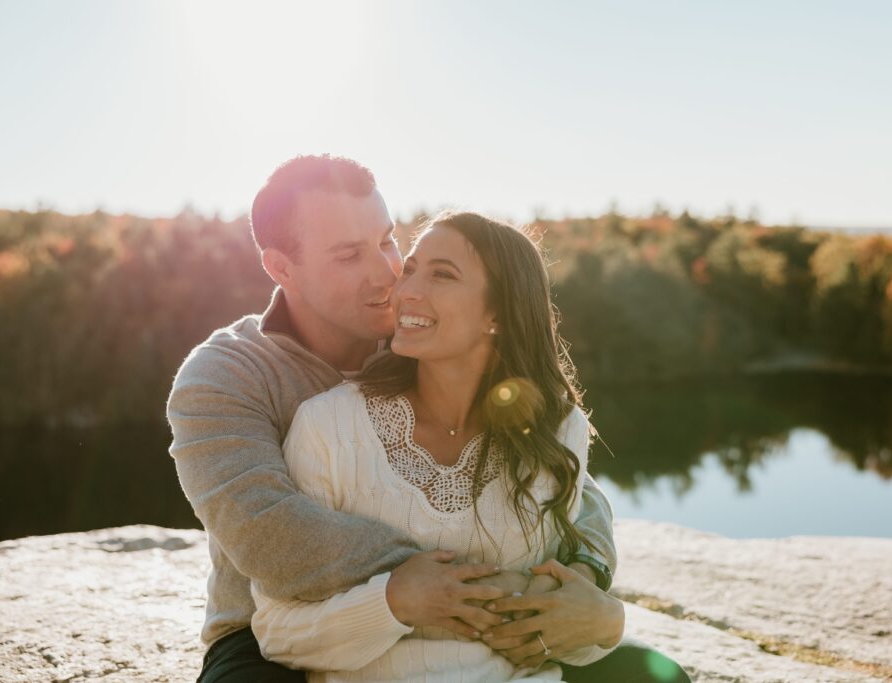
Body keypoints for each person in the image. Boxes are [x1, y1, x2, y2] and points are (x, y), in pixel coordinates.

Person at [166, 155, 690, 682]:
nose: (387, 272)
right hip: (271, 631)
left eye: (387, 241)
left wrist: (584, 580)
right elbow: (267, 534)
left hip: (478, 618)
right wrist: (451, 582)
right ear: (282, 268)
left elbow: (571, 486)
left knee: (654, 676)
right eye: (349, 255)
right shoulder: (224, 375)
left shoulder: (421, 343)